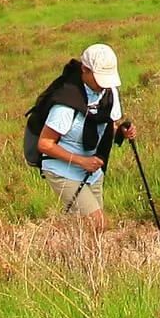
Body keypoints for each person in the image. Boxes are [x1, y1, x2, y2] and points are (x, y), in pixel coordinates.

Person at [35, 43, 131, 229]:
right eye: (99, 78)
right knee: (97, 223)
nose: (104, 85)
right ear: (85, 70)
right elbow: (45, 144)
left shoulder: (109, 92)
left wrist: (122, 133)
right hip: (62, 170)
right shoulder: (66, 102)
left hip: (92, 170)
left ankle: (78, 256)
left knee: (91, 229)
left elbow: (109, 125)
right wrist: (80, 161)